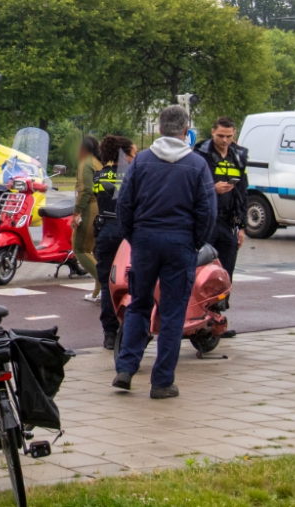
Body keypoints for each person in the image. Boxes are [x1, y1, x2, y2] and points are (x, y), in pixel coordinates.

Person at [114, 106, 216, 399]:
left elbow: (124, 205)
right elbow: (207, 211)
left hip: (145, 241)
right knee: (172, 313)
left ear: (159, 129)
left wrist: (135, 236)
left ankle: (126, 368)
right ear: (186, 132)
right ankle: (161, 382)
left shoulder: (141, 161)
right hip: (180, 244)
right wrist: (195, 242)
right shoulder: (197, 166)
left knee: (139, 304)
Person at [194, 117, 248, 339]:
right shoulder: (200, 155)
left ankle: (218, 322)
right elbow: (192, 185)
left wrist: (241, 226)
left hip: (228, 222)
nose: (224, 141)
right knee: (202, 273)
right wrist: (211, 188)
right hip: (207, 220)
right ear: (212, 132)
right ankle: (199, 318)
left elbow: (243, 192)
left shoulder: (239, 156)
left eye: (229, 136)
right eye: (220, 136)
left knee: (226, 272)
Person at [92, 135, 137, 350]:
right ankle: (132, 329)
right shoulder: (133, 175)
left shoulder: (99, 176)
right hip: (129, 234)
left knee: (108, 285)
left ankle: (109, 334)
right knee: (135, 282)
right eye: (134, 154)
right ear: (125, 155)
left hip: (106, 232)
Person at [72, 135, 102, 302]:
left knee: (80, 249)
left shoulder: (86, 163)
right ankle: (97, 292)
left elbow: (85, 190)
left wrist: (76, 213)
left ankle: (105, 284)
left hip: (90, 207)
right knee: (96, 252)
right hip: (102, 208)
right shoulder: (98, 162)